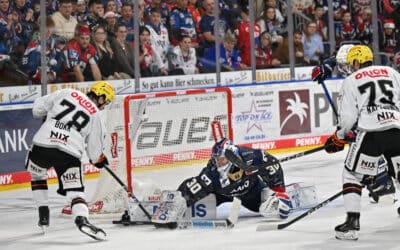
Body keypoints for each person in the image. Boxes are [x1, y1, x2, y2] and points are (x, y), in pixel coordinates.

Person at [321, 45, 400, 240]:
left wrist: (339, 136)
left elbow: (347, 117)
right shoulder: (391, 72)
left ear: (357, 62)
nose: (349, 68)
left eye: (350, 64)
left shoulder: (351, 80)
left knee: (352, 174)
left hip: (371, 132)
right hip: (397, 127)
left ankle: (351, 224)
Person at [150, 138, 318, 228]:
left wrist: (279, 191)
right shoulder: (212, 173)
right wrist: (180, 201)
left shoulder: (251, 156)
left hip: (251, 191)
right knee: (196, 209)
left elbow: (272, 166)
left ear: (232, 156)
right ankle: (169, 205)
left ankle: (285, 196)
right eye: (216, 159)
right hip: (221, 194)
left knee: (270, 209)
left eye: (221, 159)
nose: (218, 163)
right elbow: (194, 185)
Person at [26, 81, 115, 240]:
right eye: (105, 102)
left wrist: (48, 114)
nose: (104, 106)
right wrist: (100, 160)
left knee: (37, 175)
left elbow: (37, 108)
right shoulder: (96, 116)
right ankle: (82, 219)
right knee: (75, 193)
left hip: (42, 145)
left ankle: (43, 214)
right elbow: (94, 154)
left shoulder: (66, 92)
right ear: (100, 98)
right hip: (69, 153)